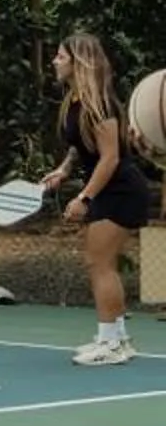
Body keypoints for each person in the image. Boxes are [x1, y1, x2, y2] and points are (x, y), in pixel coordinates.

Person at [38, 31, 150, 366]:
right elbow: (80, 146)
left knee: (100, 263)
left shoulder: (98, 104)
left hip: (120, 191)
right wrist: (63, 170)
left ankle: (110, 344)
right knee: (100, 262)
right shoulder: (75, 100)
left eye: (61, 56)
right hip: (107, 188)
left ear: (79, 63)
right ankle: (118, 339)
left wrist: (84, 198)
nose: (55, 61)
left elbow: (110, 157)